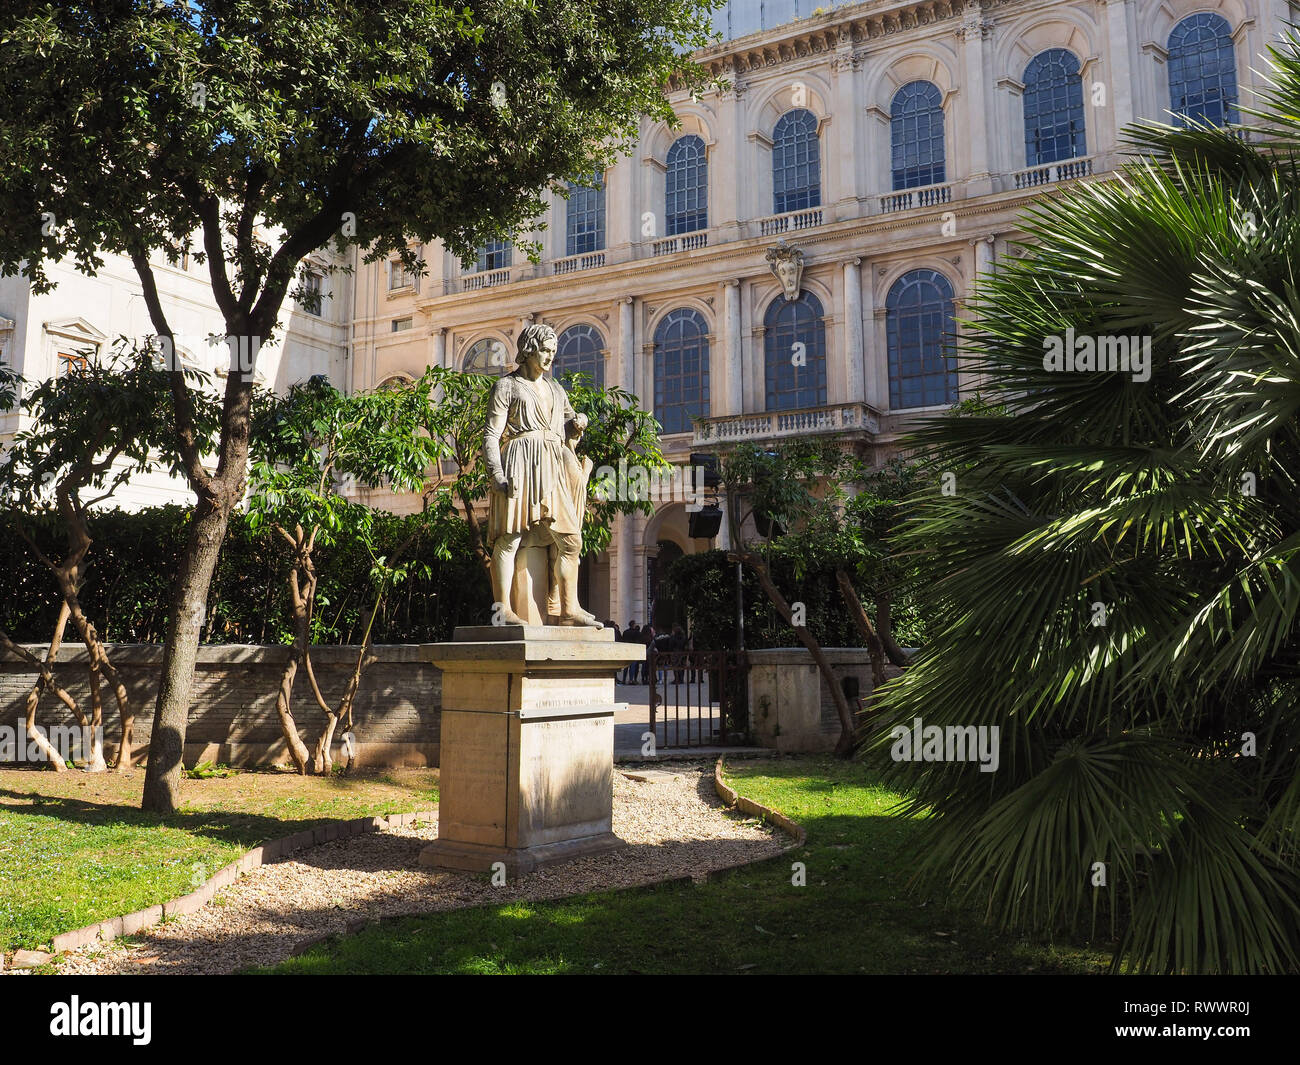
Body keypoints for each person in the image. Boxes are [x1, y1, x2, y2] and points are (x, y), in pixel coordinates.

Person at [483, 323, 601, 627]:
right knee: (509, 539)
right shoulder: (506, 386)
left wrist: (578, 423)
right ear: (529, 349)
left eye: (553, 352)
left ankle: (569, 607)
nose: (550, 357)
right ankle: (503, 610)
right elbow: (491, 435)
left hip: (552, 463)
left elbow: (567, 425)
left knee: (571, 540)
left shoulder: (555, 388)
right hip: (520, 459)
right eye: (546, 350)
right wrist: (496, 472)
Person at [642, 622, 656, 687]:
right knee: (649, 667)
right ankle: (649, 679)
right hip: (649, 654)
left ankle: (644, 679)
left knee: (644, 667)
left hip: (643, 653)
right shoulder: (650, 638)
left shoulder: (642, 636)